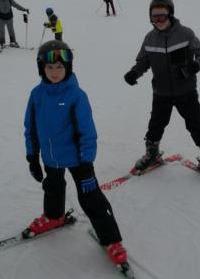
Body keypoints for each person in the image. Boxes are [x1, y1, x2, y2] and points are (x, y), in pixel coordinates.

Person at [24, 40, 127, 265]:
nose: (54, 72)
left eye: (59, 67)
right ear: (41, 68)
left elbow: (87, 132)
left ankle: (111, 239)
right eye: (49, 67)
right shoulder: (37, 95)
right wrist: (32, 157)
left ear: (68, 67)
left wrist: (87, 164)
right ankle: (54, 216)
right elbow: (30, 127)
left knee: (91, 198)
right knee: (52, 188)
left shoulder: (76, 96)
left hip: (78, 160)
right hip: (50, 158)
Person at [123, 0, 200, 177]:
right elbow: (143, 61)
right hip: (161, 93)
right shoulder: (150, 38)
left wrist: (193, 67)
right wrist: (134, 73)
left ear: (170, 14)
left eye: (162, 16)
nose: (158, 21)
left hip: (186, 91)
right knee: (156, 125)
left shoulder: (185, 34)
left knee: (196, 124)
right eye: (154, 17)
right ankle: (152, 154)